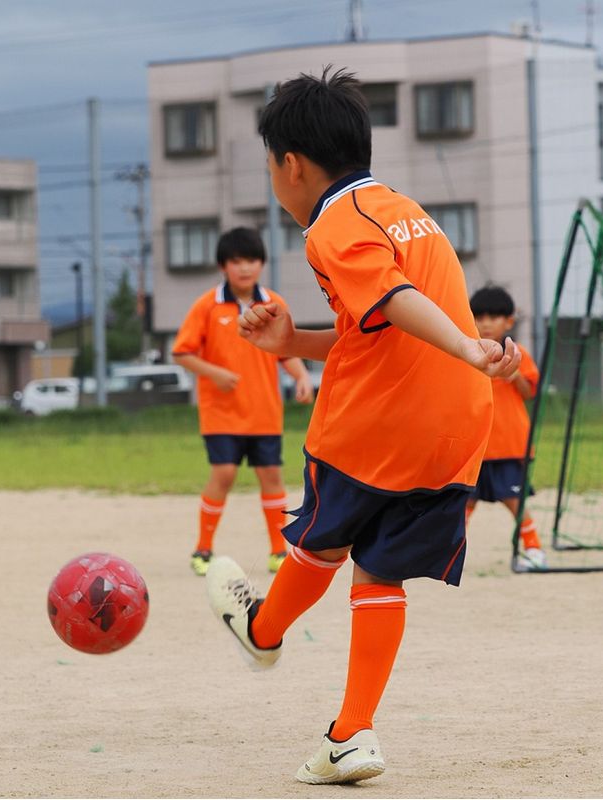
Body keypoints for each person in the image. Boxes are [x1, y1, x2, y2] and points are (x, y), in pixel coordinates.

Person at [205, 67, 521, 785]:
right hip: (455, 425)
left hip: (377, 423)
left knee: (323, 539)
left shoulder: (334, 225)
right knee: (380, 568)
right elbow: (376, 328)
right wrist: (291, 342)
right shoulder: (405, 210)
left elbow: (393, 296)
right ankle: (351, 734)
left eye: (269, 167)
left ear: (292, 165)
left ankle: (261, 630)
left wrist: (469, 345)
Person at [172, 227, 313, 576]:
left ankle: (278, 551)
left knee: (271, 475)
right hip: (221, 413)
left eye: (251, 260)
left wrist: (301, 376)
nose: (245, 268)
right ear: (223, 266)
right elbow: (182, 352)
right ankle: (203, 549)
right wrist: (215, 373)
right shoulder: (207, 306)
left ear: (262, 263)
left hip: (264, 412)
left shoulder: (274, 304)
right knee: (223, 473)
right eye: (236, 261)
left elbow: (287, 350)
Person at [468, 285, 547, 571]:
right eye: (479, 317)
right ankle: (447, 552)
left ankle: (535, 550)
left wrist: (514, 375)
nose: (486, 323)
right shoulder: (467, 351)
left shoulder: (517, 352)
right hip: (474, 445)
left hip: (508, 446)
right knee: (464, 502)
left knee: (514, 500)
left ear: (509, 321)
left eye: (494, 317)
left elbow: (529, 392)